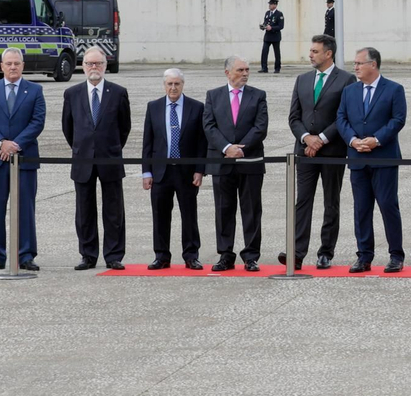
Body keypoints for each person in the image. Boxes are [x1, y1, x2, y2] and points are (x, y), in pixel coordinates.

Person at [282, 34, 355, 270]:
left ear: (328, 53)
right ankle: (296, 252)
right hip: (304, 152)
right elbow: (294, 117)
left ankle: (326, 252)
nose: (310, 55)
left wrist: (321, 139)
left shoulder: (346, 80)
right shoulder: (302, 80)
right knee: (302, 200)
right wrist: (306, 138)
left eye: (315, 51)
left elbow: (344, 116)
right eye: (311, 51)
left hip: (332, 151)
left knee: (331, 202)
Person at [337, 46, 408, 273]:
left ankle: (396, 255)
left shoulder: (394, 89)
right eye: (355, 63)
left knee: (388, 206)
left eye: (359, 63)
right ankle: (364, 256)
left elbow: (398, 120)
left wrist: (376, 140)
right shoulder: (349, 91)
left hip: (383, 158)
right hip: (357, 157)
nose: (355, 67)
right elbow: (341, 118)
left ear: (373, 64)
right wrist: (352, 140)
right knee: (361, 209)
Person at [62, 47, 132, 271]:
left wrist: (112, 148)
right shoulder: (72, 94)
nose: (94, 67)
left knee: (114, 211)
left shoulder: (118, 93)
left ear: (105, 66)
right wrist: (82, 148)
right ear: (83, 67)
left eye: (98, 64)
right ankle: (88, 255)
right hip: (83, 160)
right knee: (84, 211)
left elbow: (125, 127)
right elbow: (68, 128)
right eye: (90, 63)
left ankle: (114, 255)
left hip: (110, 159)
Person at [0, 48, 44, 272]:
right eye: (9, 63)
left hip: (24, 159)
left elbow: (37, 122)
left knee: (26, 208)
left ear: (23, 65)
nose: (13, 67)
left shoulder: (35, 90)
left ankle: (26, 255)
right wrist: (1, 143)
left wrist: (15, 145)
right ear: (1, 66)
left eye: (16, 63)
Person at [203, 56, 270, 272]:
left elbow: (260, 127)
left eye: (247, 70)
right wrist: (226, 148)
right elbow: (209, 126)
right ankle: (225, 255)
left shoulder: (258, 95)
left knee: (251, 210)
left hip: (250, 161)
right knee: (223, 210)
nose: (245, 74)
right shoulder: (213, 96)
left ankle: (251, 256)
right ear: (227, 72)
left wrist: (241, 149)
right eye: (240, 70)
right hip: (222, 162)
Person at [141, 69, 208, 271]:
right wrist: (146, 172)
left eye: (177, 84)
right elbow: (148, 142)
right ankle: (161, 256)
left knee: (189, 215)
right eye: (169, 84)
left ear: (182, 85)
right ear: (164, 85)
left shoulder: (196, 107)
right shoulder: (153, 107)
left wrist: (200, 170)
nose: (173, 88)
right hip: (161, 172)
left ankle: (191, 256)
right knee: (160, 215)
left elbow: (201, 142)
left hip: (186, 172)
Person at [259, 0, 284, 74]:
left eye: (271, 4)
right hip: (267, 36)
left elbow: (281, 26)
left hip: (275, 36)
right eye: (269, 4)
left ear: (275, 5)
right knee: (264, 52)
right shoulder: (267, 13)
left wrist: (272, 28)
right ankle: (264, 68)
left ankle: (277, 68)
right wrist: (263, 26)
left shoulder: (279, 14)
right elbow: (266, 22)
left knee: (277, 53)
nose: (269, 5)